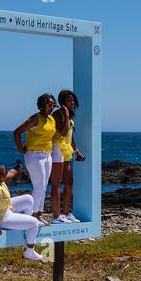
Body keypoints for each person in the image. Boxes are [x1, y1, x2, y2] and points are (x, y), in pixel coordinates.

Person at [0, 164, 47, 262]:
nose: (6, 174)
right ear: (1, 177)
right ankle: (29, 251)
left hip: (4, 209)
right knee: (34, 223)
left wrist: (17, 167)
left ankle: (27, 226)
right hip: (0, 218)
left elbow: (11, 174)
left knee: (28, 199)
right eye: (4, 173)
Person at [12, 93, 57, 223]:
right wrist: (21, 149)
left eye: (53, 104)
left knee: (43, 186)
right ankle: (33, 215)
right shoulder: (35, 119)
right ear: (42, 106)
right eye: (49, 104)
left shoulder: (51, 119)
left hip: (47, 155)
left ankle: (39, 213)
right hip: (34, 155)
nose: (52, 107)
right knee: (39, 186)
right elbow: (17, 132)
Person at [49, 89, 85, 223]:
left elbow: (70, 135)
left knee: (69, 183)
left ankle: (66, 213)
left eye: (73, 100)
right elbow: (63, 133)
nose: (73, 102)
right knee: (56, 183)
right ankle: (57, 216)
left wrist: (76, 151)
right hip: (57, 149)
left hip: (67, 150)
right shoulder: (58, 114)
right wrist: (65, 114)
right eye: (69, 100)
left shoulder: (70, 115)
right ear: (63, 102)